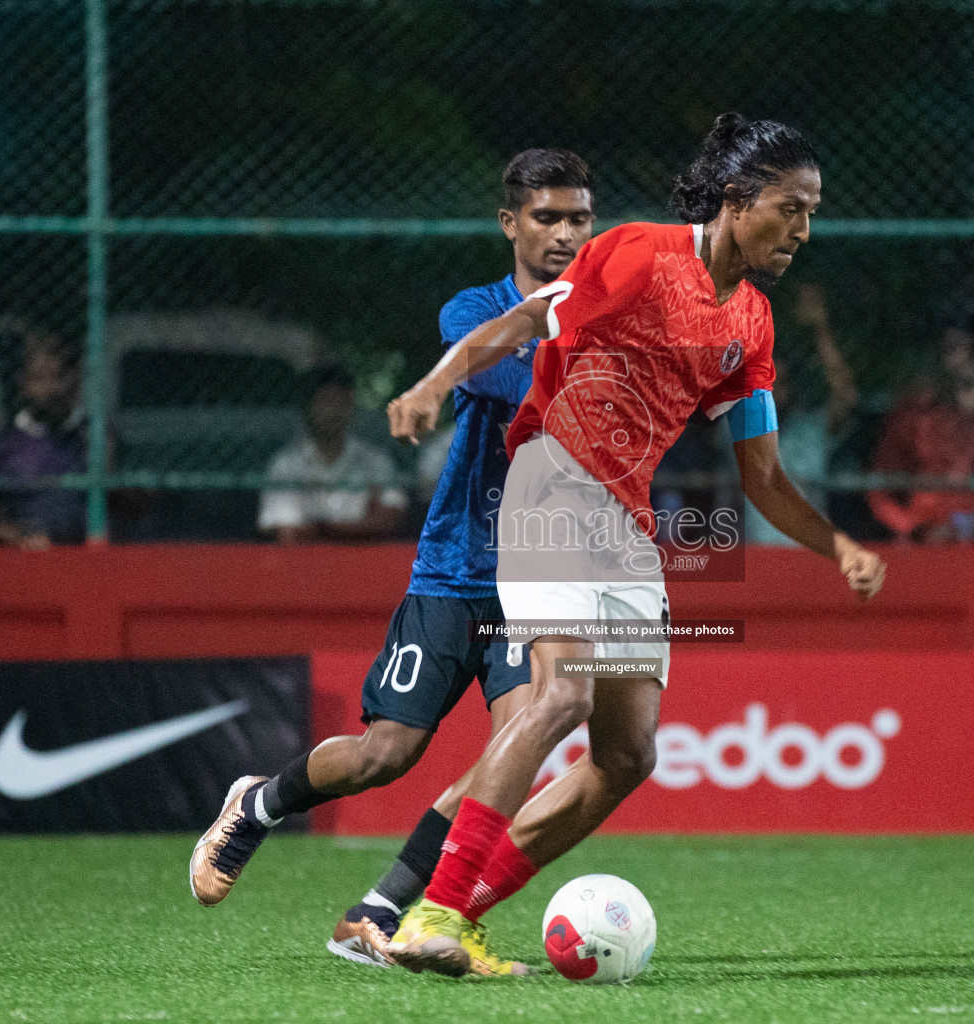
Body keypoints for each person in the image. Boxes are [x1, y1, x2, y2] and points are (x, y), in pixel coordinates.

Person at [381, 114, 885, 977]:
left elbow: (760, 475)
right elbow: (524, 321)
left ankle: (457, 917)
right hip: (552, 482)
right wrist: (434, 385)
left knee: (627, 755)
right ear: (737, 199)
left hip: (626, 523)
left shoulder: (752, 324)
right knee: (561, 698)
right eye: (791, 207)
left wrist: (835, 545)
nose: (805, 228)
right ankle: (429, 905)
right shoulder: (642, 253)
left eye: (813, 211)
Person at [188, 149, 596, 977]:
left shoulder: (606, 318)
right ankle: (258, 803)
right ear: (509, 223)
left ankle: (378, 913)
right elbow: (507, 382)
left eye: (578, 218)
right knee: (386, 753)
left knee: (516, 744)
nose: (563, 233)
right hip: (455, 572)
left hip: (541, 579)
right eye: (546, 217)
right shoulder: (474, 313)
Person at [867, 322, 974, 543]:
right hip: (928, 527)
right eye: (953, 348)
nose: (965, 357)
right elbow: (881, 482)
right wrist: (908, 525)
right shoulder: (918, 412)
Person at [743, 282, 858, 544]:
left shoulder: (811, 428)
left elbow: (847, 396)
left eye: (778, 385)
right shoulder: (738, 430)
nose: (772, 392)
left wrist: (820, 328)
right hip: (758, 558)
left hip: (807, 555)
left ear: (791, 389)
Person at [257, 366, 407, 544]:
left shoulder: (375, 461)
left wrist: (320, 529)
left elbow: (387, 521)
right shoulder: (285, 464)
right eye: (325, 401)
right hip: (304, 563)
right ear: (308, 407)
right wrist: (356, 529)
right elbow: (286, 532)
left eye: (341, 402)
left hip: (363, 563)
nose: (333, 410)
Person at [0, 335, 87, 548]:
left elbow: (131, 506)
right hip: (23, 561)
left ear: (74, 380)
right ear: (23, 384)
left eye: (59, 377)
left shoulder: (92, 437)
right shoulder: (2, 444)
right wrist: (18, 539)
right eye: (39, 379)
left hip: (87, 559)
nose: (51, 389)